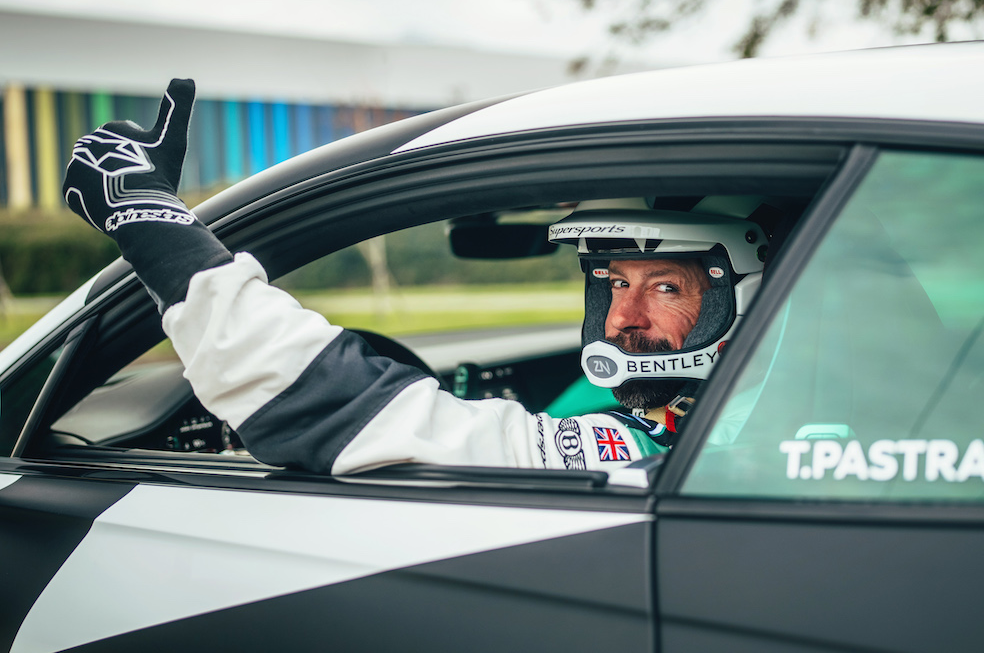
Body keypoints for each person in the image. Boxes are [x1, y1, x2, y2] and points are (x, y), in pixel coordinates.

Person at [62, 79, 766, 474]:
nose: (621, 320)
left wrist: (146, 217)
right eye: (615, 283)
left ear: (750, 294)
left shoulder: (671, 451)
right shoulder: (745, 428)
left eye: (666, 286)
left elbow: (333, 410)